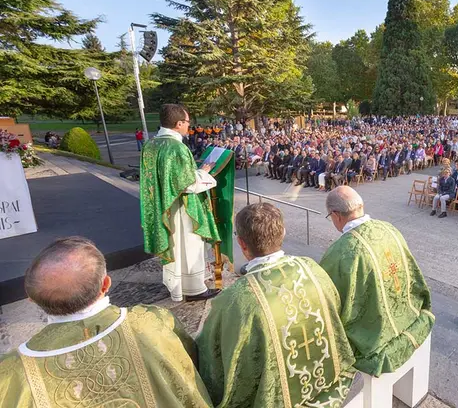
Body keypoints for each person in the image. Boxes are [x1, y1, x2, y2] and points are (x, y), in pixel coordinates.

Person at [0, 237, 212, 407]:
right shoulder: (153, 322)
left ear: (30, 298)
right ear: (106, 284)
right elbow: (190, 364)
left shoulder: (12, 374)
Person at [197, 204, 356, 407]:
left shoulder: (235, 299)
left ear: (242, 244)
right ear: (283, 233)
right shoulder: (311, 268)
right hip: (331, 382)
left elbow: (212, 353)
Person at [319, 186, 434, 376]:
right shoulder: (389, 228)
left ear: (336, 215)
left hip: (376, 340)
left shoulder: (342, 251)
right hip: (411, 315)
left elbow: (328, 302)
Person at [140, 104, 220, 302]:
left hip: (163, 206)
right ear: (178, 124)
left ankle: (175, 284)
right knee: (188, 246)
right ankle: (194, 289)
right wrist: (205, 173)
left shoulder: (151, 144)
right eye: (187, 122)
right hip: (182, 209)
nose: (189, 127)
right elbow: (187, 184)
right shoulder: (176, 147)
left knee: (175, 247)